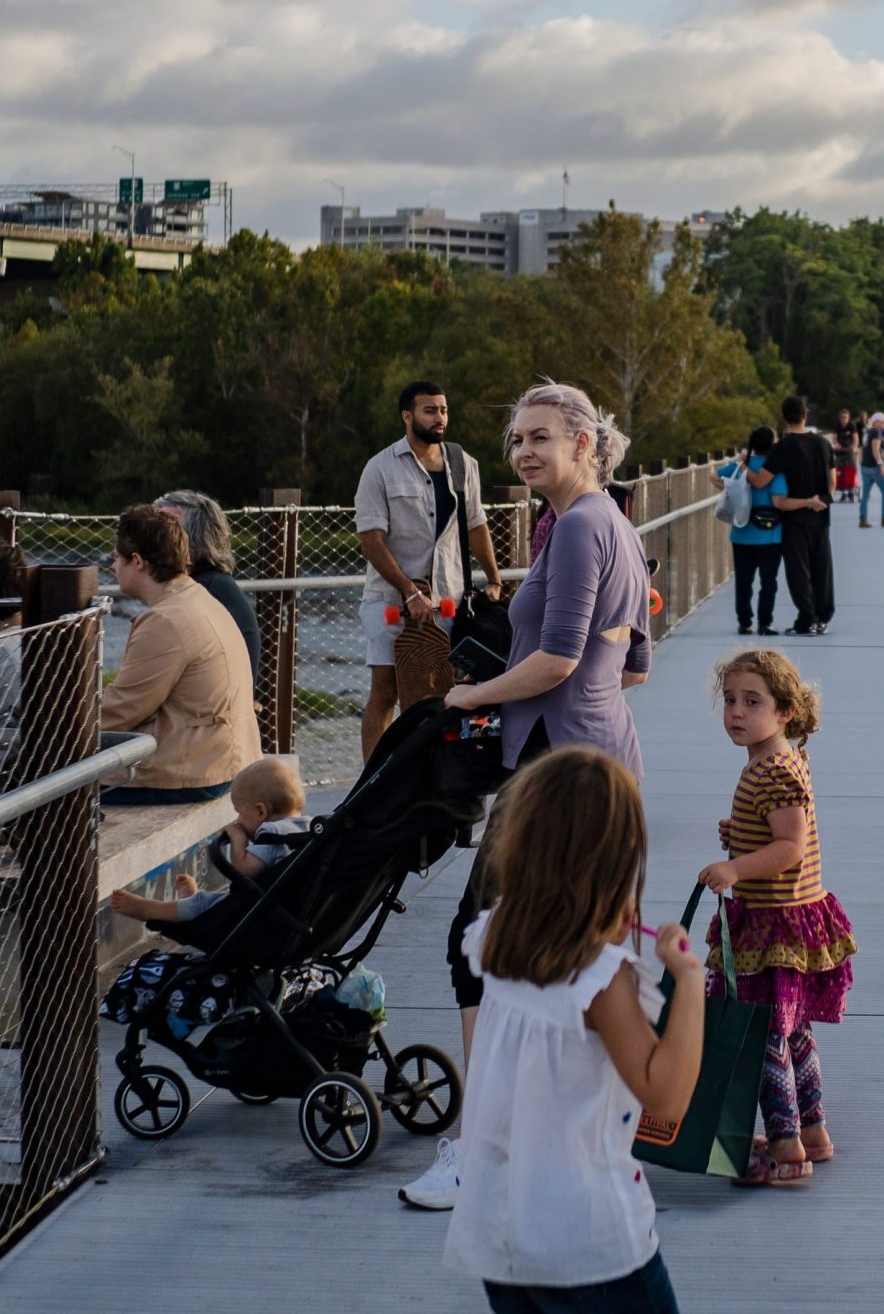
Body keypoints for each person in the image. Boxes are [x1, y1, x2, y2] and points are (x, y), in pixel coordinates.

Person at [407, 381, 655, 1214]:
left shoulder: (581, 525)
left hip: (555, 776)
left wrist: (470, 697)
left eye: (541, 437)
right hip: (598, 752)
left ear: (586, 442)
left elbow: (556, 658)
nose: (523, 452)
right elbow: (632, 660)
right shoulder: (606, 520)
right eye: (516, 438)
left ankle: (484, 1146)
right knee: (577, 947)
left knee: (481, 943)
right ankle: (588, 1132)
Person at [443, 747, 703, 1311]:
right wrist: (690, 982)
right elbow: (667, 1094)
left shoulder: (491, 938)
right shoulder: (599, 979)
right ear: (617, 860)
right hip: (592, 1242)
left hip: (505, 1231)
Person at [697, 649, 857, 1186]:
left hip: (775, 924)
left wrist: (735, 866)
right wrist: (739, 835)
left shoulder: (776, 771)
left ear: (785, 711)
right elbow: (775, 831)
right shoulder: (777, 761)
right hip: (784, 919)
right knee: (793, 1031)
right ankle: (813, 1132)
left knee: (762, 1034)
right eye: (730, 701)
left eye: (752, 702)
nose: (737, 713)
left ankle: (786, 1148)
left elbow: (790, 845)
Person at [357, 380, 506, 757]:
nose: (439, 417)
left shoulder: (462, 463)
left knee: (445, 692)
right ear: (407, 416)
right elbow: (371, 539)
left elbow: (475, 525)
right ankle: (372, 782)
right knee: (386, 692)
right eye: (429, 410)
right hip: (391, 602)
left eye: (443, 409)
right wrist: (409, 590)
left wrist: (494, 578)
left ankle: (433, 774)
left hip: (450, 602)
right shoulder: (380, 469)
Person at [98, 504, 262, 804]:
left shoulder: (165, 621)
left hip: (193, 772)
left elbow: (122, 709)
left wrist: (52, 725)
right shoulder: (199, 597)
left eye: (116, 558)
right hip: (226, 759)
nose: (112, 566)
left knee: (53, 788)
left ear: (137, 562)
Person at [107, 756, 307, 924]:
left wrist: (238, 840)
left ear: (261, 811)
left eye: (239, 813)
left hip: (264, 916)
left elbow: (243, 872)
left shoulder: (273, 833)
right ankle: (187, 900)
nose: (237, 820)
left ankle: (150, 910)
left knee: (205, 904)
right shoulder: (308, 828)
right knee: (210, 902)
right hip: (292, 910)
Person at [156, 488, 261, 670]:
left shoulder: (202, 592)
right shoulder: (213, 585)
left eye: (162, 531)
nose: (150, 540)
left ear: (189, 539)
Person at [767, 396, 835, 636]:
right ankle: (823, 617)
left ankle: (806, 619)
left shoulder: (782, 448)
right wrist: (821, 500)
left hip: (794, 518)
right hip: (821, 516)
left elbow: (762, 479)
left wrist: (744, 467)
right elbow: (832, 481)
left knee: (799, 571)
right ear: (805, 415)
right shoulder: (823, 444)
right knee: (822, 569)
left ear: (784, 418)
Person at [720, 428, 785, 636]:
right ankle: (765, 623)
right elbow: (779, 498)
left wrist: (730, 492)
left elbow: (714, 476)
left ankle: (745, 622)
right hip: (771, 535)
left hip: (742, 533)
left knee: (743, 580)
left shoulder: (739, 466)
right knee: (769, 581)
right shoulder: (776, 469)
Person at [856, 414, 884, 529]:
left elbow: (861, 448)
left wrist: (861, 462)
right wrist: (881, 465)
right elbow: (875, 450)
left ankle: (862, 519)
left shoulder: (867, 432)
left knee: (865, 494)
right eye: (883, 421)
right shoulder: (876, 433)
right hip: (875, 467)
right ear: (876, 421)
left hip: (865, 467)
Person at [830, 408, 859, 505]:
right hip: (840, 451)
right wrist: (836, 445)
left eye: (845, 417)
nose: (844, 419)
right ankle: (843, 493)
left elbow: (855, 439)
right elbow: (834, 437)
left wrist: (854, 448)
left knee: (849, 471)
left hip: (849, 451)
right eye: (842, 417)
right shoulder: (837, 426)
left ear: (848, 418)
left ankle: (850, 491)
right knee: (840, 472)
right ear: (840, 418)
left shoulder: (851, 426)